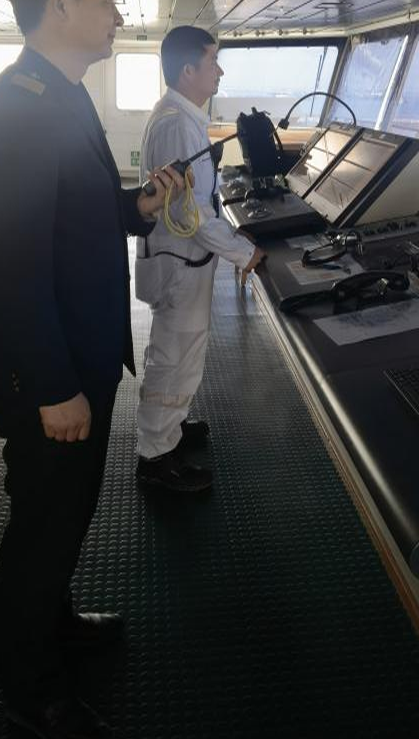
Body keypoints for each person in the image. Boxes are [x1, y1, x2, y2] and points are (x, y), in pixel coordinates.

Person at [0, 0, 184, 739]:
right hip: (43, 369)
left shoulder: (60, 94)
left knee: (64, 513)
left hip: (77, 350)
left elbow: (73, 213)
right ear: (58, 4)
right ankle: (31, 690)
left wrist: (138, 207)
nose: (118, 14)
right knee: (42, 526)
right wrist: (56, 388)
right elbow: (15, 267)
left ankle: (53, 623)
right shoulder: (15, 112)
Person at [134, 26, 264, 492]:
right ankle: (155, 457)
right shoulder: (177, 125)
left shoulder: (183, 117)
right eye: (213, 61)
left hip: (184, 260)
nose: (220, 71)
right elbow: (192, 214)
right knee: (173, 356)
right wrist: (245, 253)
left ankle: (170, 427)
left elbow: (197, 202)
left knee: (183, 352)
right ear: (188, 70)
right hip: (179, 264)